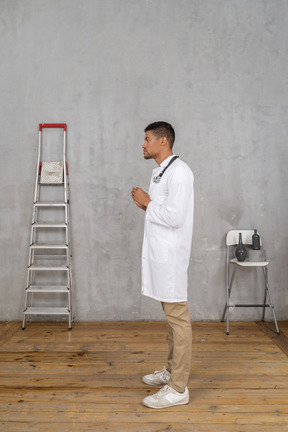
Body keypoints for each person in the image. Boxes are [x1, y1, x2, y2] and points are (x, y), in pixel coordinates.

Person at [131, 121, 194, 409]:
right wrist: (149, 203)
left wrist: (147, 203)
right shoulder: (161, 171)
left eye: (147, 139)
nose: (143, 144)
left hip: (171, 258)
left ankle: (178, 387)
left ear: (163, 141)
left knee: (178, 319)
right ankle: (171, 370)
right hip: (161, 256)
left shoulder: (179, 173)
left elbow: (176, 217)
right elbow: (163, 210)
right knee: (171, 318)